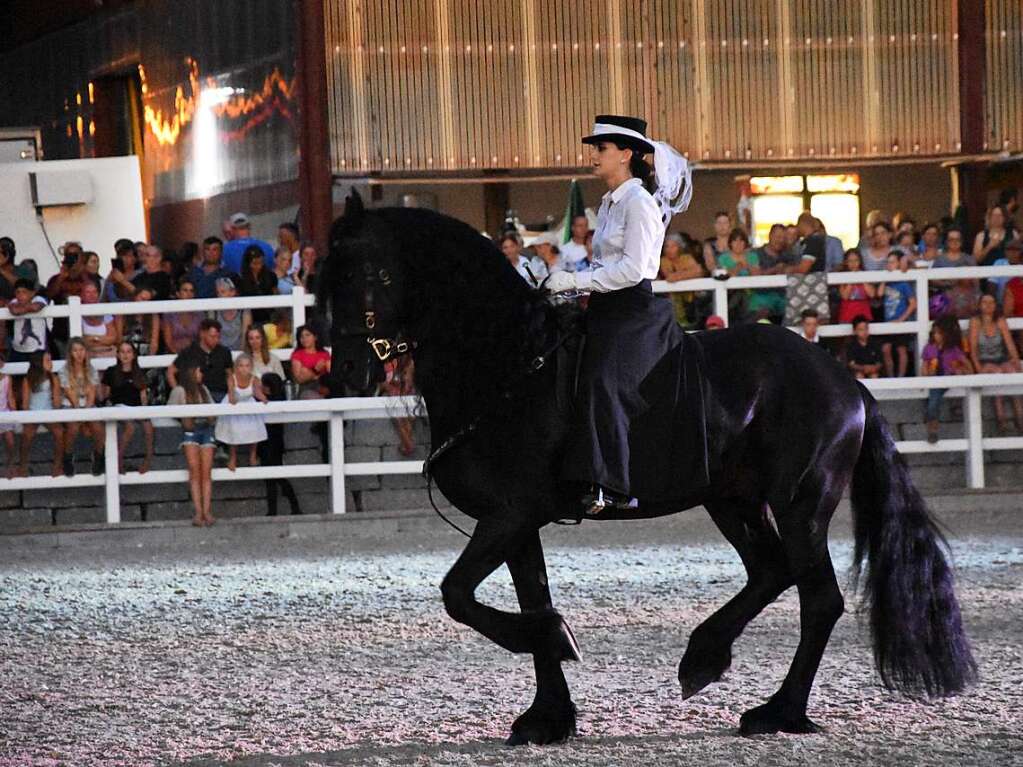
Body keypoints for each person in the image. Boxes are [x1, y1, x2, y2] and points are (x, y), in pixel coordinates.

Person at [545, 113, 694, 512]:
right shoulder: (610, 204)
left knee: (603, 382)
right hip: (605, 306)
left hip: (633, 310)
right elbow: (604, 265)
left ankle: (615, 485)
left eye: (602, 148)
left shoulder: (639, 203)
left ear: (625, 153)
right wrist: (568, 278)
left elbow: (634, 269)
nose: (594, 155)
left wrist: (575, 282)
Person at [167, 364, 216, 526]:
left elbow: (213, 411)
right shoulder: (180, 391)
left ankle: (207, 510)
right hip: (191, 431)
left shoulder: (204, 390)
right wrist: (185, 420)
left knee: (206, 472)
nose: (201, 374)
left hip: (206, 429)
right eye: (198, 370)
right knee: (194, 471)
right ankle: (199, 511)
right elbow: (170, 411)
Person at [968, 294, 1023, 433]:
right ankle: (1001, 419)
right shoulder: (975, 322)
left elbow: (1010, 345)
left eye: (992, 302)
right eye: (985, 302)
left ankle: (1020, 416)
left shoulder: (1000, 321)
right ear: (979, 305)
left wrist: (1017, 365)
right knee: (997, 374)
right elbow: (973, 350)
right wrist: (979, 370)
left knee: (1011, 371)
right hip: (984, 360)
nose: (988, 305)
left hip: (1000, 358)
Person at [100, 341, 154, 474]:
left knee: (148, 427)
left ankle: (148, 459)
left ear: (134, 355)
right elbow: (105, 395)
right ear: (118, 354)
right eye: (122, 352)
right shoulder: (111, 372)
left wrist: (145, 412)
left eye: (129, 351)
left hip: (136, 407)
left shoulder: (139, 373)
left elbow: (143, 396)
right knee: (130, 427)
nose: (125, 355)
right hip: (118, 406)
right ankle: (118, 458)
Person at [58, 337, 105, 476]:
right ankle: (67, 456)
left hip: (88, 406)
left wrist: (86, 415)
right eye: (75, 350)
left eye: (81, 350)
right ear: (70, 353)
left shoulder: (91, 370)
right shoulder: (64, 371)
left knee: (97, 427)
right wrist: (80, 415)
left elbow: (91, 394)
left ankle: (98, 455)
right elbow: (71, 395)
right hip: (71, 406)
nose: (79, 353)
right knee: (73, 427)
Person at [922, 315, 973, 443]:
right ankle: (932, 429)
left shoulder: (953, 349)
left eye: (939, 333)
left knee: (934, 400)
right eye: (934, 333)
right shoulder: (929, 348)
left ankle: (933, 425)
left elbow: (966, 364)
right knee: (933, 400)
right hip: (934, 380)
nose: (936, 336)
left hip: (948, 378)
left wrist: (960, 370)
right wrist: (927, 374)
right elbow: (924, 367)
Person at [258, 372, 302, 516]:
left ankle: (279, 509)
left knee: (274, 478)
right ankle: (287, 507)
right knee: (275, 477)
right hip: (272, 443)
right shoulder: (279, 398)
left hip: (269, 443)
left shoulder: (270, 400)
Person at [215, 353, 268, 472]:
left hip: (249, 403)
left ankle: (252, 456)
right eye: (241, 366)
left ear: (251, 367)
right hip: (234, 404)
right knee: (233, 428)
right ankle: (232, 457)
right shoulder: (231, 378)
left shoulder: (255, 379)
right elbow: (231, 393)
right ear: (236, 367)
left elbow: (256, 392)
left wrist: (263, 398)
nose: (244, 368)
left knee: (255, 428)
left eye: (247, 366)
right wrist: (233, 400)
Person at [18, 351, 65, 477]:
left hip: (48, 410)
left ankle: (57, 465)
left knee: (60, 433)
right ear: (39, 364)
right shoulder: (28, 379)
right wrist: (27, 418)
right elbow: (25, 403)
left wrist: (55, 387)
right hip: (33, 412)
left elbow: (56, 403)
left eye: (51, 360)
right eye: (47, 360)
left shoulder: (54, 378)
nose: (51, 363)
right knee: (26, 436)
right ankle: (22, 466)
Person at [167, 318, 233, 402]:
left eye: (218, 337)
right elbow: (170, 372)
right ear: (202, 334)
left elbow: (230, 375)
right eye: (212, 336)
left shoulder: (224, 352)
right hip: (199, 394)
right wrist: (179, 392)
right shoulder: (189, 351)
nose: (216, 340)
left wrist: (231, 392)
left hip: (221, 394)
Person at [881, 252, 917, 377]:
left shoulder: (903, 284)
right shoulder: (887, 283)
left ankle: (901, 376)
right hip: (888, 321)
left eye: (892, 262)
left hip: (900, 320)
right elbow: (879, 294)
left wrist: (902, 319)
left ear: (898, 263)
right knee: (886, 349)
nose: (889, 265)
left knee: (901, 349)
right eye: (888, 262)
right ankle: (891, 376)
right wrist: (883, 279)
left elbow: (913, 303)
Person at [658, 232, 704, 325]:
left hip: (691, 297)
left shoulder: (686, 258)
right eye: (667, 246)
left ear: (679, 247)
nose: (669, 250)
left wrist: (678, 275)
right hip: (671, 299)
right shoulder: (663, 261)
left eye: (673, 246)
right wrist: (687, 273)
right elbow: (669, 277)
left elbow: (698, 271)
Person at [7, 279, 48, 363]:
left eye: (24, 292)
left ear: (32, 293)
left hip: (37, 349)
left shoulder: (38, 299)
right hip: (18, 349)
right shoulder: (14, 301)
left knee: (36, 373)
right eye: (18, 292)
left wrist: (22, 309)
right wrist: (27, 308)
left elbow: (36, 307)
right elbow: (14, 311)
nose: (20, 295)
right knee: (16, 372)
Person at [161, 277, 203, 354]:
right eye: (185, 290)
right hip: (173, 355)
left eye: (191, 291)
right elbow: (168, 341)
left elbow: (202, 338)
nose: (189, 294)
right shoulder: (169, 313)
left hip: (195, 354)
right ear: (178, 294)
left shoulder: (199, 313)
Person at [238, 244, 278, 324]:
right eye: (255, 263)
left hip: (269, 317)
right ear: (248, 263)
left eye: (261, 262)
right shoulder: (240, 279)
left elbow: (275, 294)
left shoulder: (271, 276)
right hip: (250, 318)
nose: (259, 266)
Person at [209, 277, 250, 351]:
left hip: (239, 352)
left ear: (233, 292)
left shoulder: (244, 311)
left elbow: (245, 335)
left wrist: (239, 355)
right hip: (220, 353)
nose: (219, 296)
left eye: (223, 292)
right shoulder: (213, 311)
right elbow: (212, 336)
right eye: (218, 293)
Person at [291, 324, 331, 399]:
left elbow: (330, 371)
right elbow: (299, 379)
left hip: (324, 386)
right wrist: (314, 370)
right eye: (301, 336)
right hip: (307, 389)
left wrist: (307, 372)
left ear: (315, 337)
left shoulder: (324, 353)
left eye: (307, 335)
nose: (304, 339)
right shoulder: (297, 354)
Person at [836, 249, 876, 323]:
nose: (853, 263)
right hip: (847, 314)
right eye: (850, 261)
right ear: (846, 262)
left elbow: (872, 294)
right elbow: (845, 296)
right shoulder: (842, 276)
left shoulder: (866, 275)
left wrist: (861, 277)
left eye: (856, 260)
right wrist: (852, 278)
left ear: (860, 261)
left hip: (863, 314)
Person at [79, 282, 118, 358]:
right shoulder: (77, 316)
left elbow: (112, 338)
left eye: (94, 292)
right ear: (82, 295)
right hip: (87, 354)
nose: (92, 295)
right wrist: (103, 339)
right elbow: (81, 341)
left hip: (107, 352)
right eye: (88, 292)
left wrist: (93, 338)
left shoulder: (105, 313)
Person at [0, 354, 17, 477]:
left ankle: (10, 464)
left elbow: (10, 396)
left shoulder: (7, 378)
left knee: (10, 442)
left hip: (5, 412)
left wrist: (15, 413)